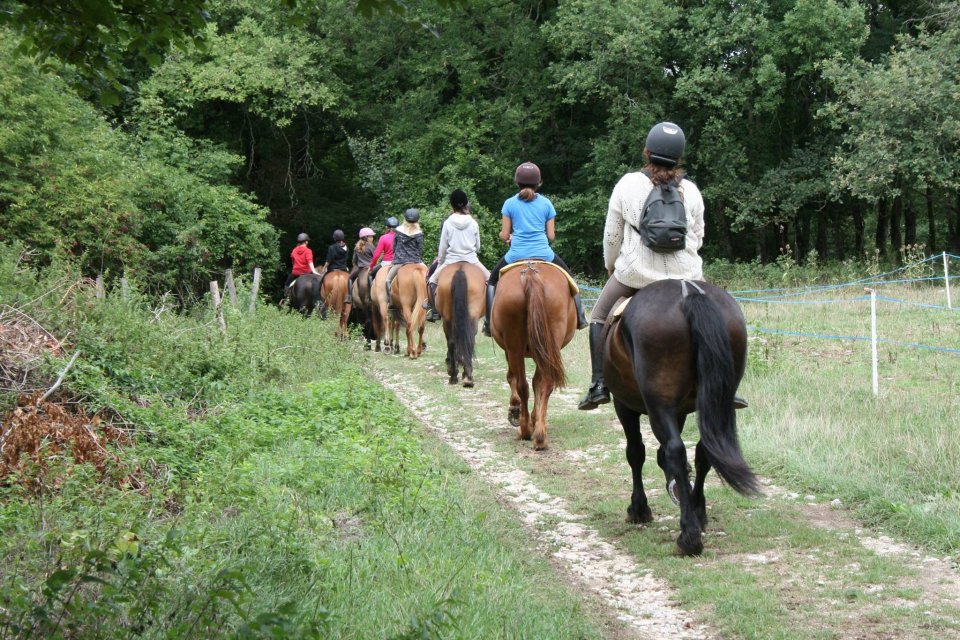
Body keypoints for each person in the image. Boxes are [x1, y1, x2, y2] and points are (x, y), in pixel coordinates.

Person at [577, 121, 746, 411]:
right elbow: (698, 235)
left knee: (598, 316)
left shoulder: (628, 184)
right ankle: (727, 389)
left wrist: (611, 266)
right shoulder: (691, 190)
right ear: (679, 157)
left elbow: (612, 235)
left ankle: (599, 385)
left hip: (637, 273)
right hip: (688, 274)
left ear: (647, 151)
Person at [482, 162, 587, 336]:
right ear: (539, 182)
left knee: (492, 281)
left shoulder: (509, 204)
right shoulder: (546, 204)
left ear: (517, 182)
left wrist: (507, 237)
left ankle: (488, 323)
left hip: (515, 254)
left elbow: (504, 234)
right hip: (544, 254)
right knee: (571, 280)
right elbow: (551, 236)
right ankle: (581, 318)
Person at [424, 190, 489, 319]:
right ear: (465, 205)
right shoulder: (474, 223)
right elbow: (478, 247)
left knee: (431, 281)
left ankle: (435, 311)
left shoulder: (448, 223)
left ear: (452, 206)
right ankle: (490, 316)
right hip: (471, 260)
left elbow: (442, 247)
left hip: (451, 260)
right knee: (491, 280)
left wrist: (441, 262)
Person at [385, 208, 425, 308]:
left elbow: (394, 246)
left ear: (405, 219)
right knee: (429, 278)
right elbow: (420, 250)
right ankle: (428, 302)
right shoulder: (419, 233)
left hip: (399, 262)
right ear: (417, 220)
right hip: (416, 261)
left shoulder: (398, 230)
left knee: (388, 279)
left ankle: (390, 301)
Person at [345, 227, 376, 305]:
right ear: (366, 237)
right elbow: (375, 257)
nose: (372, 238)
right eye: (371, 236)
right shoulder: (371, 246)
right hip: (371, 267)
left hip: (361, 268)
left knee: (350, 278)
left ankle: (349, 296)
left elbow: (354, 260)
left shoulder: (357, 247)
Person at [368, 216, 399, 288]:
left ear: (387, 227)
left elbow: (376, 255)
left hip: (386, 263)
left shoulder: (383, 237)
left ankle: (369, 297)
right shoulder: (401, 237)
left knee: (369, 275)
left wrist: (372, 265)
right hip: (399, 262)